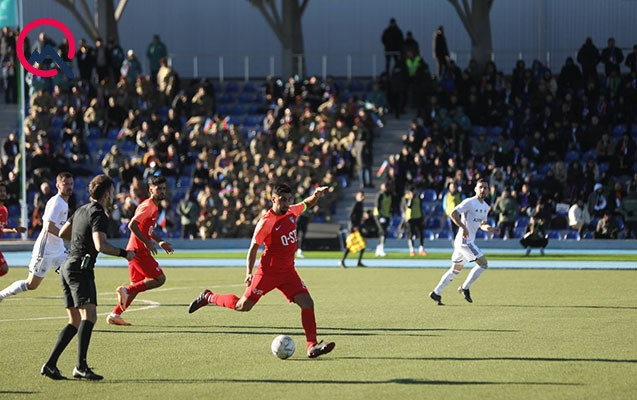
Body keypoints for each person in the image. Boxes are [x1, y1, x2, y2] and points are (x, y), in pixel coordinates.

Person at [187, 183, 335, 359]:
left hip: (288, 273)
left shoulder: (291, 212)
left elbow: (306, 204)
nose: (287, 203)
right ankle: (208, 297)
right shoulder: (266, 222)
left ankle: (312, 346)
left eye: (289, 200)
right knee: (243, 306)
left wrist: (316, 195)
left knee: (307, 303)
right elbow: (253, 247)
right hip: (267, 273)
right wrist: (249, 272)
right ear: (273, 199)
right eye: (283, 200)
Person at [41, 175, 135, 381]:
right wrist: (124, 254)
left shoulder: (81, 209)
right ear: (107, 193)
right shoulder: (99, 214)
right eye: (112, 191)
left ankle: (50, 365)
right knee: (90, 317)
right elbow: (101, 245)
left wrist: (80, 239)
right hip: (80, 270)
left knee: (74, 321)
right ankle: (80, 366)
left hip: (67, 267)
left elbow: (65, 233)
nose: (113, 195)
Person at [106, 175, 174, 326]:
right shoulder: (148, 206)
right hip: (138, 250)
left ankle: (115, 314)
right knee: (159, 279)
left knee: (137, 285)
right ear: (151, 190)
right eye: (159, 189)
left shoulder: (153, 207)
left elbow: (146, 229)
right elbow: (132, 225)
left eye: (163, 188)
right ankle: (126, 290)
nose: (162, 191)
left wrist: (159, 241)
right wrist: (147, 242)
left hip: (135, 249)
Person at [0, 173, 73, 302]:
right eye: (65, 184)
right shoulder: (57, 202)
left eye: (71, 184)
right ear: (57, 185)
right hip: (45, 250)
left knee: (73, 272)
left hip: (59, 249)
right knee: (31, 284)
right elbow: (48, 226)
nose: (69, 187)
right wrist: (69, 236)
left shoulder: (64, 203)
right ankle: (2, 295)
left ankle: (77, 301)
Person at [429, 179, 499, 306]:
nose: (483, 190)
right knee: (483, 264)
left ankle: (436, 292)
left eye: (485, 188)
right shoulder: (469, 202)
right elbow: (453, 214)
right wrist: (463, 226)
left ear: (488, 190)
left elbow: (482, 224)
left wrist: (490, 229)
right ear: (475, 189)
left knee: (455, 269)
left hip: (465, 241)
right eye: (480, 187)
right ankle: (465, 288)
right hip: (464, 241)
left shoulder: (485, 207)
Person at [0, 184, 27, 277]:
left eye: (4, 191)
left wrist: (14, 230)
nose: (2, 193)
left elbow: (3, 227)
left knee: (4, 268)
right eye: (0, 191)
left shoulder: (4, 210)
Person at [340, 191, 366, 268]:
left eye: (363, 196)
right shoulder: (356, 204)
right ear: (357, 197)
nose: (362, 197)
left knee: (362, 245)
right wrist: (354, 226)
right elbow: (351, 216)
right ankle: (343, 261)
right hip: (354, 228)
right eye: (361, 196)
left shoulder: (360, 205)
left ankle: (358, 262)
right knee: (350, 245)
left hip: (358, 226)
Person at [403, 187, 427, 256]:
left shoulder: (418, 197)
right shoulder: (406, 198)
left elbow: (420, 207)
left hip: (418, 217)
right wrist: (411, 198)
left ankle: (421, 248)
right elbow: (408, 206)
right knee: (410, 234)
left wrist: (422, 216)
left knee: (420, 234)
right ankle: (412, 249)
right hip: (410, 218)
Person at [373, 183, 392, 257]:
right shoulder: (380, 194)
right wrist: (380, 216)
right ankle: (381, 249)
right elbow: (377, 205)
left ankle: (378, 249)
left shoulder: (389, 195)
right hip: (379, 215)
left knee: (383, 232)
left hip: (386, 215)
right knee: (382, 231)